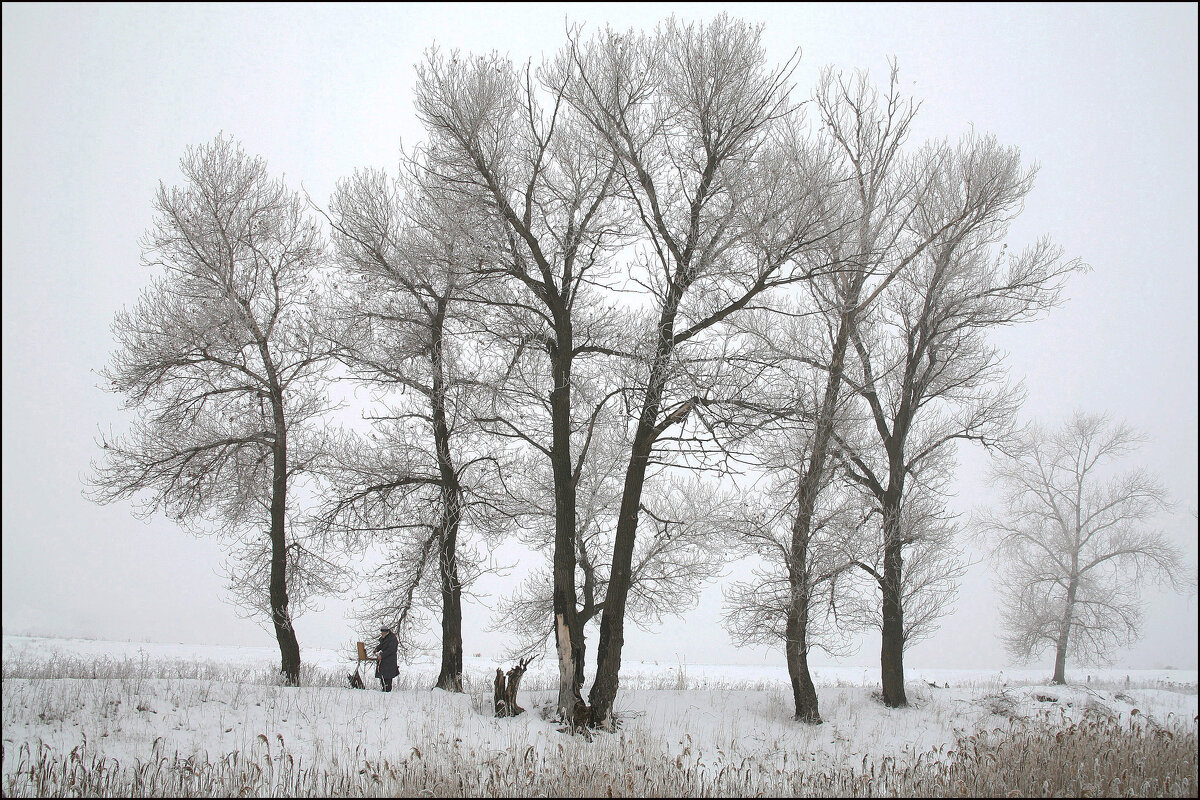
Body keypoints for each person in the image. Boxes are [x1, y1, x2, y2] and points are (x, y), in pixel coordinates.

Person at [374, 625, 399, 692]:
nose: (381, 633)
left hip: (389, 662)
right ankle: (384, 690)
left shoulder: (392, 639)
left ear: (386, 631)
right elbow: (381, 645)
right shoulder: (384, 638)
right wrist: (377, 649)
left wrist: (382, 655)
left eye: (383, 632)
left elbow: (390, 650)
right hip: (383, 662)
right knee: (382, 677)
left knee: (388, 677)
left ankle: (387, 691)